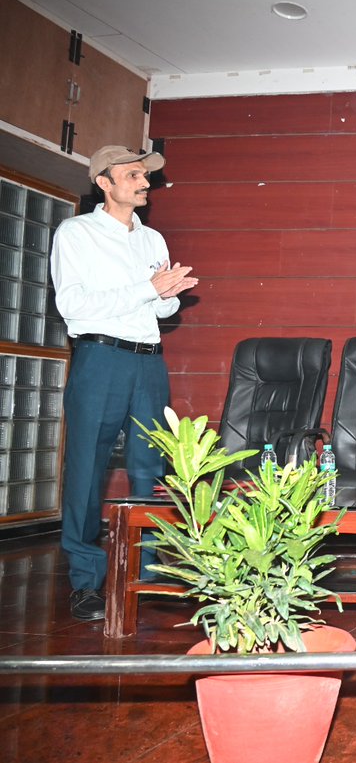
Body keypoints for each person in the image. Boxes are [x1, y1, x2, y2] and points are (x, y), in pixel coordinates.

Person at [50, 145, 198, 622]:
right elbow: (73, 306)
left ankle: (147, 572)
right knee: (86, 468)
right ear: (104, 183)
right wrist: (147, 289)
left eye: (145, 175)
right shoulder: (77, 233)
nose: (144, 182)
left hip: (148, 361)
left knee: (150, 468)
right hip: (100, 358)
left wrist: (168, 294)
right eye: (132, 174)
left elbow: (160, 309)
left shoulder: (152, 239)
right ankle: (86, 582)